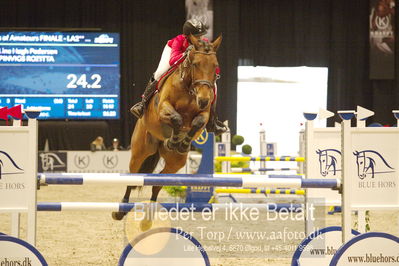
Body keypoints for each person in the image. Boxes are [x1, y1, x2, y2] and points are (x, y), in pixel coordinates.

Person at [130, 19, 227, 135]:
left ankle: (212, 120)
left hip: (191, 65)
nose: (200, 38)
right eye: (197, 36)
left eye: (201, 35)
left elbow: (210, 62)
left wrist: (214, 72)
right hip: (174, 54)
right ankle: (143, 103)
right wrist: (185, 53)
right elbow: (172, 61)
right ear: (187, 36)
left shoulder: (204, 43)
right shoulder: (178, 41)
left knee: (214, 86)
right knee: (159, 72)